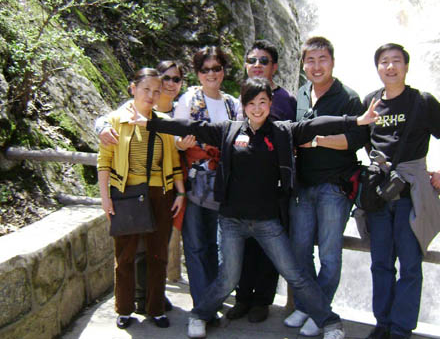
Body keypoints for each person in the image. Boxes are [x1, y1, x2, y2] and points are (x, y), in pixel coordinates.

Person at [130, 77, 381, 339]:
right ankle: (199, 314)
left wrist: (356, 121)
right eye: (251, 103)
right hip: (232, 221)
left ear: (270, 103)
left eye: (262, 102)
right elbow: (191, 126)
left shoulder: (282, 131)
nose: (257, 108)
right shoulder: (229, 130)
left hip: (267, 222)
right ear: (244, 105)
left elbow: (316, 124)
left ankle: (330, 323)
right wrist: (150, 123)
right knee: (228, 279)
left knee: (295, 274)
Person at [361, 43, 440, 339]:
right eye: (384, 61)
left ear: (406, 66)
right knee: (380, 263)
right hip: (379, 196)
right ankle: (383, 323)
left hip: (410, 196)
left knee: (410, 265)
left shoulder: (422, 102)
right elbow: (363, 138)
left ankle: (401, 328)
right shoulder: (370, 102)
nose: (390, 67)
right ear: (377, 68)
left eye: (396, 61)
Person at [94, 60, 191, 314]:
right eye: (146, 89)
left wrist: (180, 192)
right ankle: (124, 309)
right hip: (126, 193)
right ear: (133, 88)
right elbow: (104, 161)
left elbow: (174, 162)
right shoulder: (116, 121)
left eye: (156, 91)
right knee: (125, 255)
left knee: (158, 254)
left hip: (161, 193)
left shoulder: (164, 122)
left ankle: (155, 309)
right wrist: (105, 198)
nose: (151, 95)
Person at [285, 36, 366, 337]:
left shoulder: (348, 97)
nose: (316, 66)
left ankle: (320, 314)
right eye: (310, 60)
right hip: (303, 186)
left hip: (334, 187)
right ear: (303, 64)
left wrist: (317, 142)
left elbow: (357, 140)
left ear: (332, 61)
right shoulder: (302, 94)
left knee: (330, 255)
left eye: (322, 59)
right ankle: (308, 306)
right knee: (300, 251)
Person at [226, 40, 296, 323]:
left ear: (274, 67)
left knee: (267, 249)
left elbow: (293, 137)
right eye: (252, 60)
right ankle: (242, 298)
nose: (257, 65)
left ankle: (261, 301)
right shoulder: (241, 96)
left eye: (264, 61)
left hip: (271, 189)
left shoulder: (286, 99)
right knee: (244, 247)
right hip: (241, 188)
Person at [173, 46, 239, 312]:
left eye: (216, 68)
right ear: (198, 73)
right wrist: (181, 144)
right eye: (205, 69)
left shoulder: (232, 104)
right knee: (196, 243)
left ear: (223, 70)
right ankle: (202, 308)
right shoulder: (189, 100)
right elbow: (176, 136)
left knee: (216, 245)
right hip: (195, 181)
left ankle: (211, 300)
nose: (211, 74)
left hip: (224, 182)